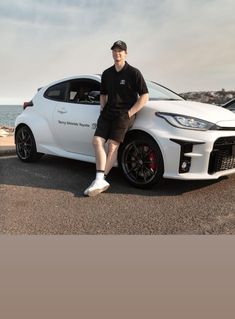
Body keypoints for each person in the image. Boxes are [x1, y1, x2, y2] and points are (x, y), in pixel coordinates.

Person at [84, 40, 149, 196]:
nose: (117, 53)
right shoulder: (107, 74)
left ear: (126, 53)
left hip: (124, 114)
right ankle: (100, 179)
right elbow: (103, 94)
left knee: (113, 146)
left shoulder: (134, 73)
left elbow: (145, 96)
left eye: (120, 51)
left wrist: (129, 113)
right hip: (107, 113)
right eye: (114, 50)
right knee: (97, 141)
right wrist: (102, 109)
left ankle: (100, 178)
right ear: (112, 53)